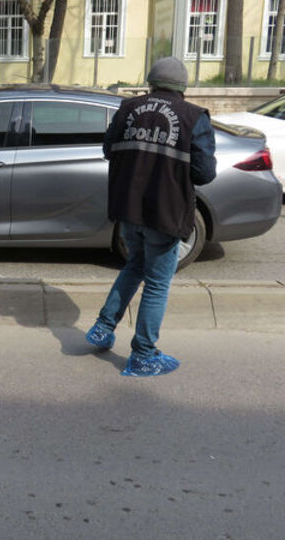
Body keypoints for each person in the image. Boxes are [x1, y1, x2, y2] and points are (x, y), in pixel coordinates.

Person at [85, 56, 216, 377]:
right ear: (182, 87)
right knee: (157, 283)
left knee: (135, 266)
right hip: (165, 211)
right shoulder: (193, 117)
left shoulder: (128, 109)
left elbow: (108, 150)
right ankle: (143, 353)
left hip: (128, 208)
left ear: (151, 82)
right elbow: (204, 173)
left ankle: (103, 327)